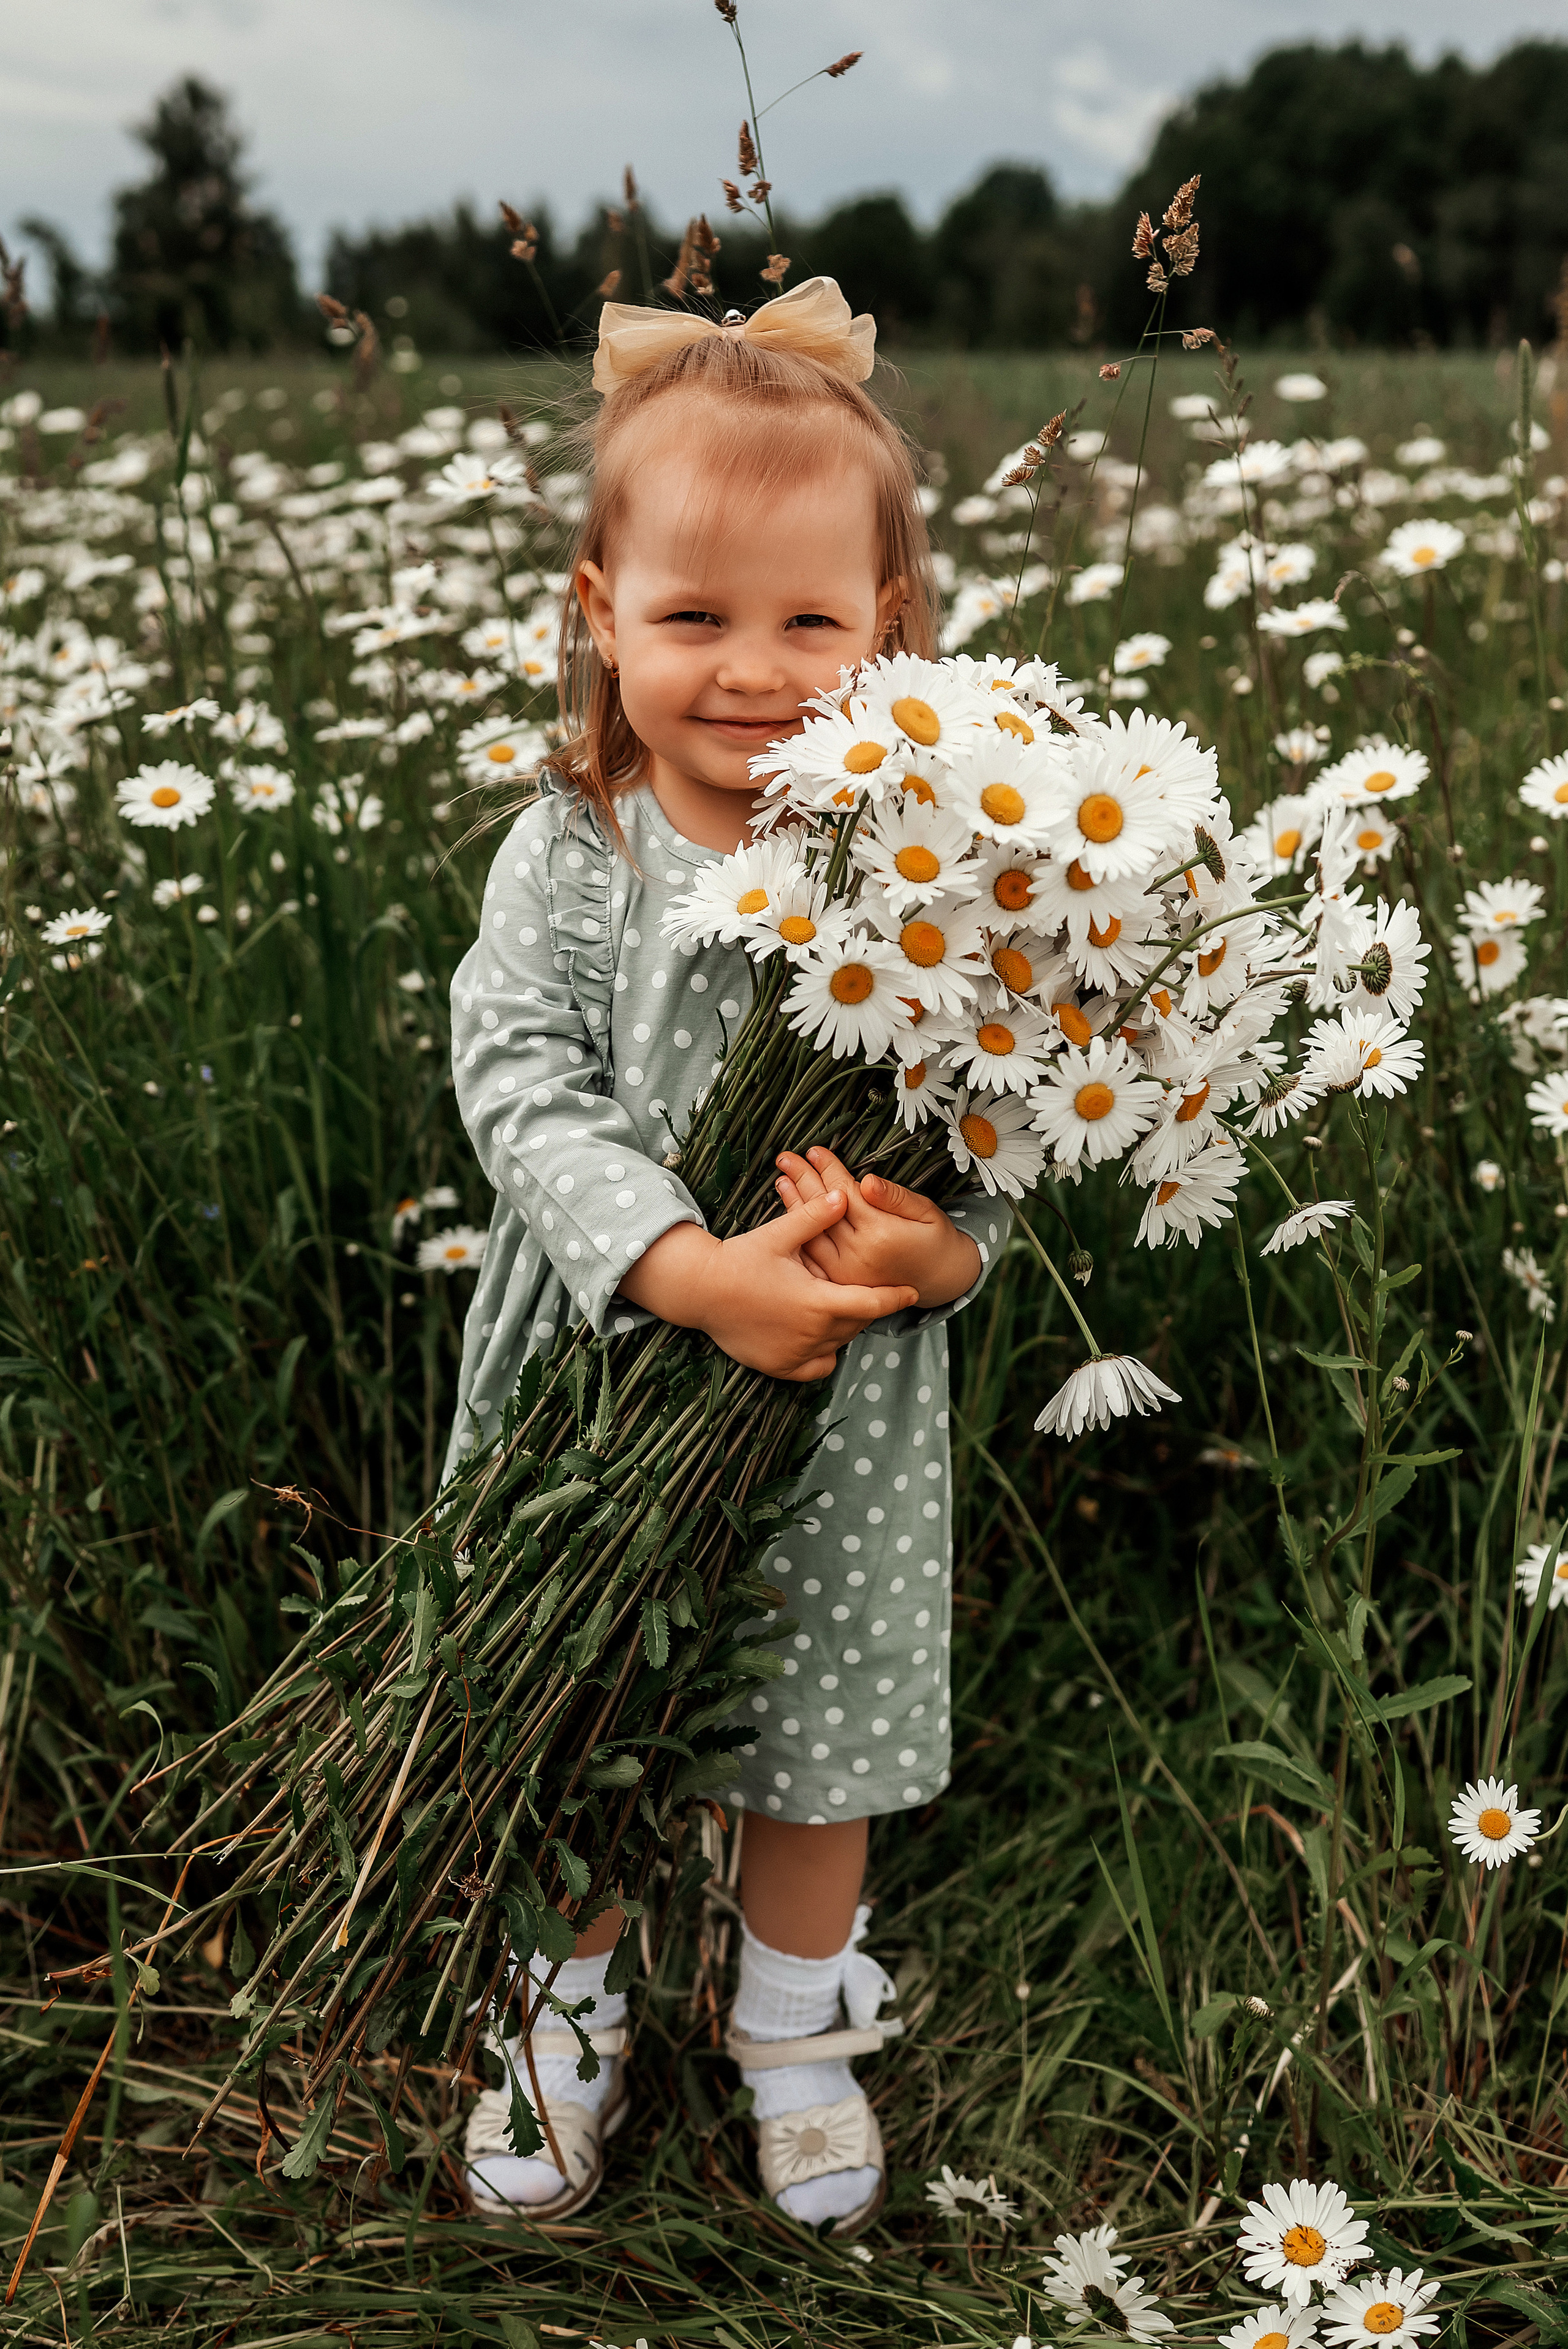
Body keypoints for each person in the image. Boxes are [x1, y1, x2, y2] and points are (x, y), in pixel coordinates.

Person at [444, 279, 1011, 2237]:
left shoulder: (931, 871)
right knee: (573, 1695)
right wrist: (687, 1267)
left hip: (839, 1404)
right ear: (599, 612)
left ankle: (792, 2026)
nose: (753, 672)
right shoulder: (580, 847)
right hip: (600, 1368)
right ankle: (561, 2001)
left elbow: (990, 1124)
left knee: (811, 1721)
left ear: (896, 632)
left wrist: (937, 1254)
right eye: (694, 618)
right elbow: (509, 1077)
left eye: (810, 621)